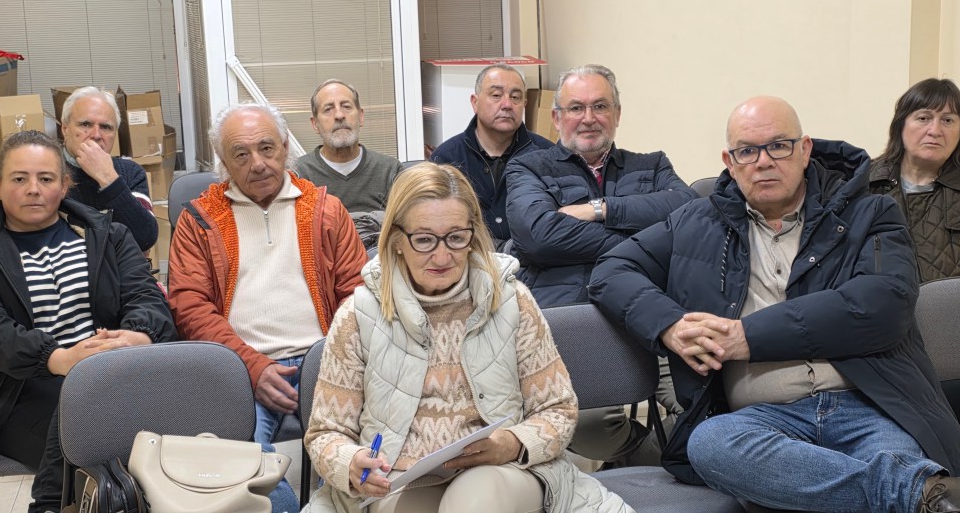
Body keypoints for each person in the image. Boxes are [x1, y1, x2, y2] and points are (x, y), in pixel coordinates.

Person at [590, 96, 960, 512]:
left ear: (805, 150)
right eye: (747, 151)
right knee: (710, 444)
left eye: (779, 146)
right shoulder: (695, 223)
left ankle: (863, 490)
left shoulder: (870, 213)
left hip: (869, 405)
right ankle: (916, 494)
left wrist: (748, 337)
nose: (763, 162)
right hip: (761, 418)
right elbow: (612, 270)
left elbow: (884, 302)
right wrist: (669, 325)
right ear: (730, 162)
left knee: (893, 458)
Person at [304, 162, 633, 513]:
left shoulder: (511, 301)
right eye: (424, 240)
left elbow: (559, 410)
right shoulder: (359, 314)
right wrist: (350, 463)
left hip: (502, 472)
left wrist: (512, 442)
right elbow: (325, 433)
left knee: (475, 498)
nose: (442, 255)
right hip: (398, 479)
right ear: (397, 240)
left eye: (456, 238)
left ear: (472, 235)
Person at [169, 102, 367, 511]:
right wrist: (252, 366)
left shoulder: (326, 210)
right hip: (238, 368)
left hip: (325, 360)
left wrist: (334, 361)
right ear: (223, 163)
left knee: (359, 454)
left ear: (285, 147)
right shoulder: (199, 220)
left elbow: (357, 294)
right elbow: (190, 306)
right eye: (241, 154)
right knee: (236, 462)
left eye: (266, 148)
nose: (258, 164)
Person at [0, 130, 175, 513]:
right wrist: (61, 359)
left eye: (46, 178)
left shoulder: (109, 235)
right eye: (19, 178)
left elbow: (148, 300)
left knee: (113, 423)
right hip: (19, 394)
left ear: (65, 186)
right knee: (98, 426)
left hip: (115, 374)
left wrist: (136, 338)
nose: (33, 189)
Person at [505, 63, 696, 468]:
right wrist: (641, 244)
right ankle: (645, 460)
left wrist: (600, 209)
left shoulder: (652, 165)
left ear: (617, 114)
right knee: (595, 428)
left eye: (600, 106)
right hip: (576, 314)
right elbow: (538, 234)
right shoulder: (529, 168)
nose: (588, 118)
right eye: (576, 108)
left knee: (705, 405)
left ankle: (675, 462)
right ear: (557, 117)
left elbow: (689, 213)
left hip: (654, 309)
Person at [869, 77, 960, 440]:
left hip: (954, 349)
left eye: (948, 120)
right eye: (923, 117)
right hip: (877, 348)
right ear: (901, 124)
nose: (935, 130)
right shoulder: (862, 185)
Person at [431, 64, 554, 248]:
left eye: (515, 97)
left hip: (532, 259)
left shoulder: (547, 155)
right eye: (496, 95)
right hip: (468, 258)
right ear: (475, 102)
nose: (507, 105)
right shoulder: (447, 158)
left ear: (524, 104)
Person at [60, 86, 159, 252]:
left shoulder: (131, 173)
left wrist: (108, 179)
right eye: (85, 124)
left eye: (106, 127)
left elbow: (145, 238)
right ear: (65, 129)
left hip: (120, 268)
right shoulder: (47, 173)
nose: (96, 135)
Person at [295, 79, 402, 215]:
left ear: (361, 116)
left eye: (346, 106)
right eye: (328, 109)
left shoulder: (391, 171)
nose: (339, 115)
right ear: (315, 124)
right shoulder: (299, 175)